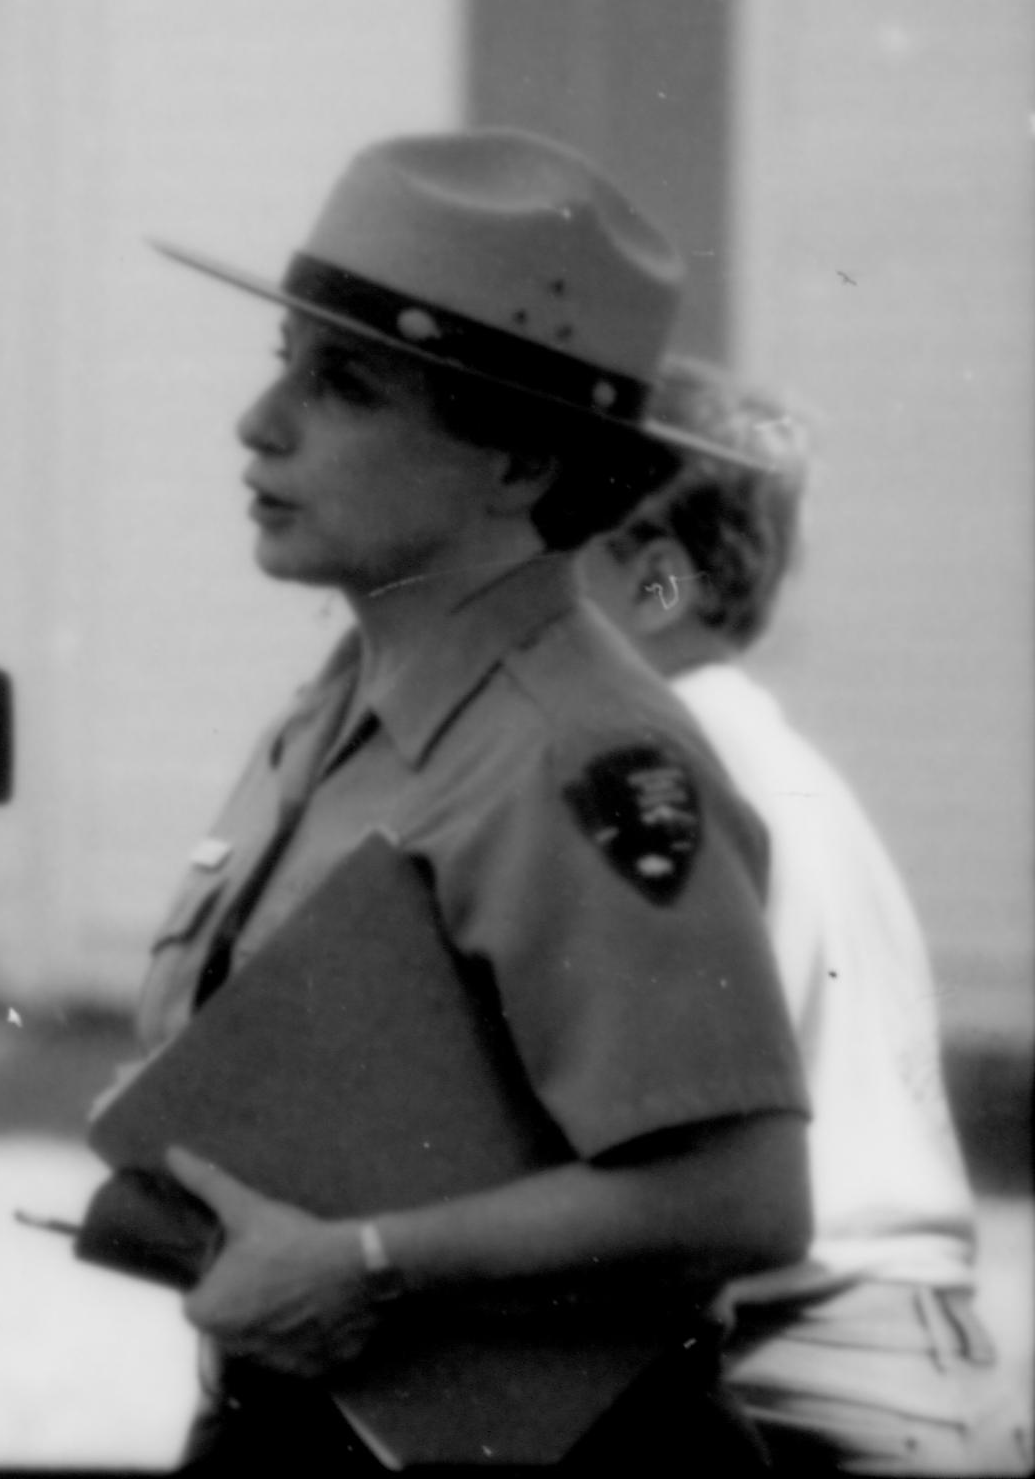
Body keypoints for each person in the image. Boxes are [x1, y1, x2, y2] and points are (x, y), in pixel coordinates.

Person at [132, 129, 813, 1469]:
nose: (260, 423)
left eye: (347, 386)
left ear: (522, 464)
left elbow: (745, 1193)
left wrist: (369, 1262)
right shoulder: (342, 703)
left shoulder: (583, 756)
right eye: (286, 366)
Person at [573, 359, 1027, 1474]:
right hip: (919, 1365)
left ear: (658, 584)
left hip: (801, 1376)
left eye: (563, 544)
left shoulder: (656, 771)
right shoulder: (779, 760)